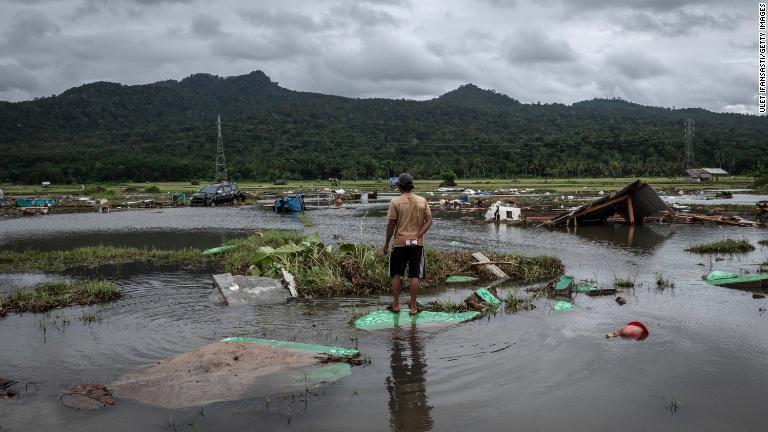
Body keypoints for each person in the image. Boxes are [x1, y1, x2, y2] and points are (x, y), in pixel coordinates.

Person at [383, 173, 433, 315]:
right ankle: (413, 307)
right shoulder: (422, 201)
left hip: (399, 243)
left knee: (396, 274)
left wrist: (386, 243)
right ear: (411, 186)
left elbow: (391, 225)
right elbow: (429, 221)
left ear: (399, 187)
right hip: (417, 244)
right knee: (414, 275)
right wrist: (417, 235)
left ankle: (396, 304)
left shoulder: (395, 202)